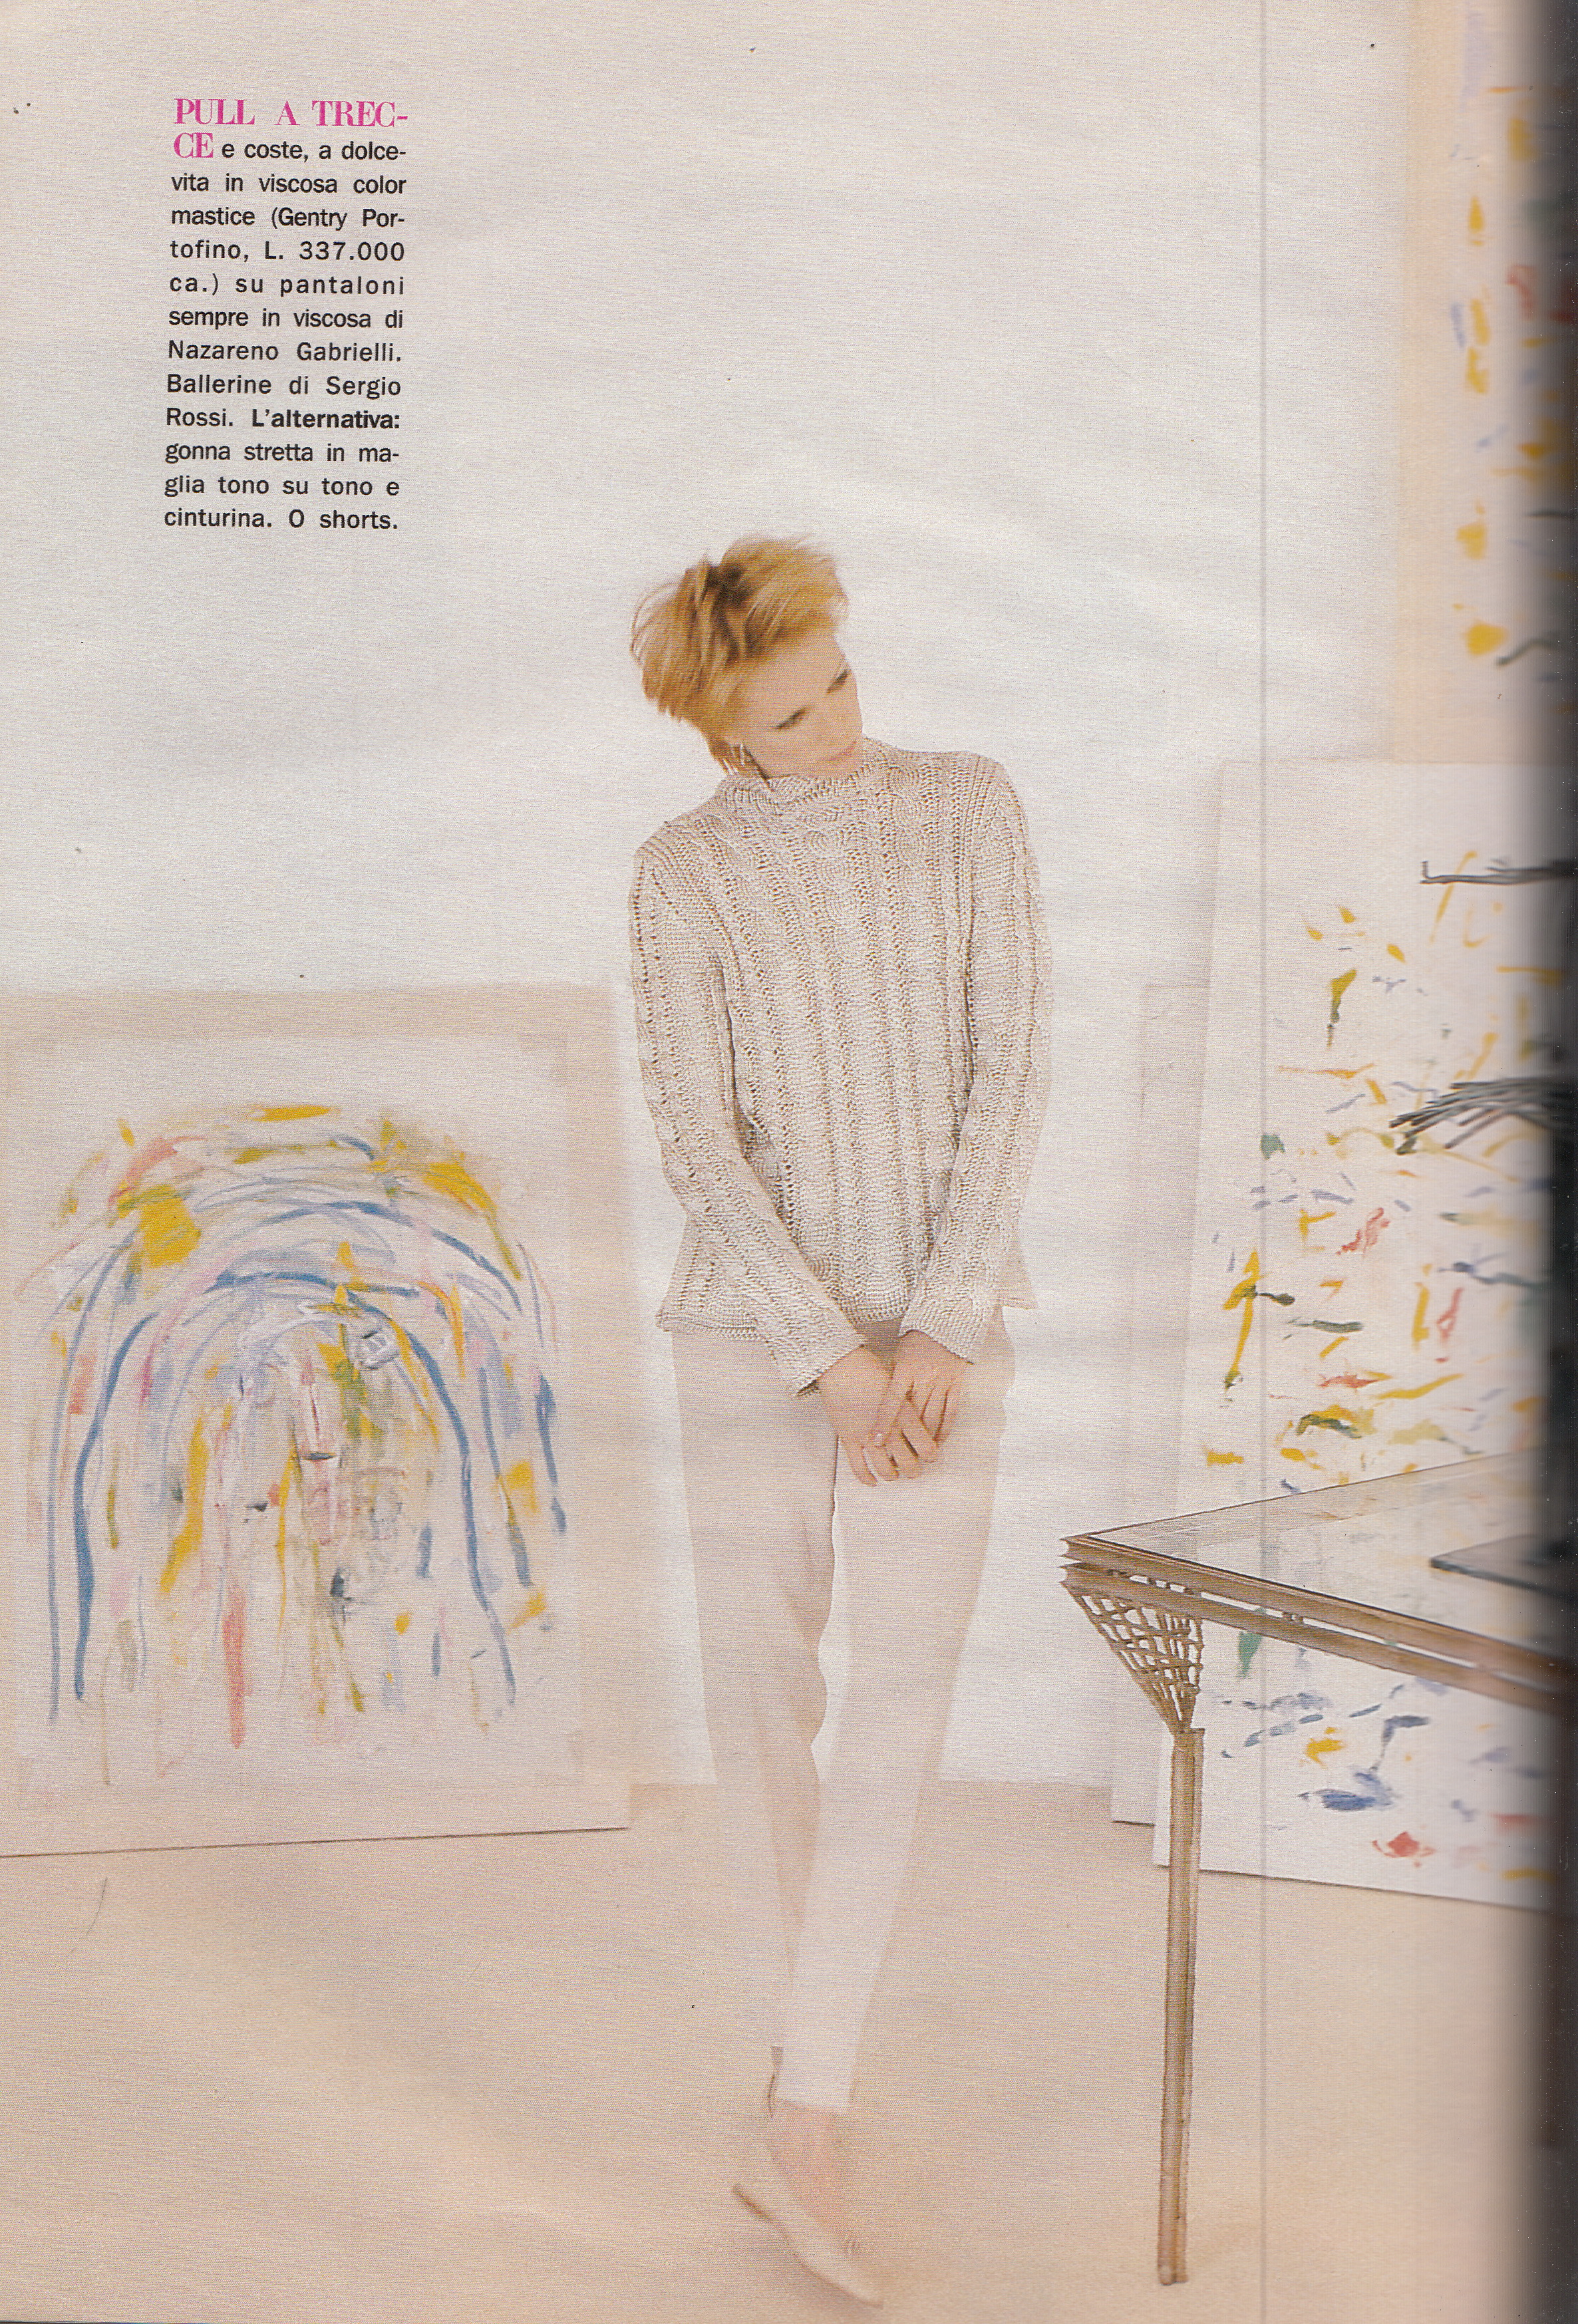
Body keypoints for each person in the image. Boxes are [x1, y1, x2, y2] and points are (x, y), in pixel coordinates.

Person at [627, 537, 1049, 2303]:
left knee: (897, 1714)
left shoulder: (966, 806)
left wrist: (937, 1321)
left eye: (840, 688)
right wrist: (831, 1356)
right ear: (719, 733)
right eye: (787, 721)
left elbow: (1010, 1063)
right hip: (752, 1343)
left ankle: (805, 2114)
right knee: (763, 1702)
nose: (833, 731)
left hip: (946, 1341)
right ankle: (798, 2094)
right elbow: (696, 1132)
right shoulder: (683, 873)